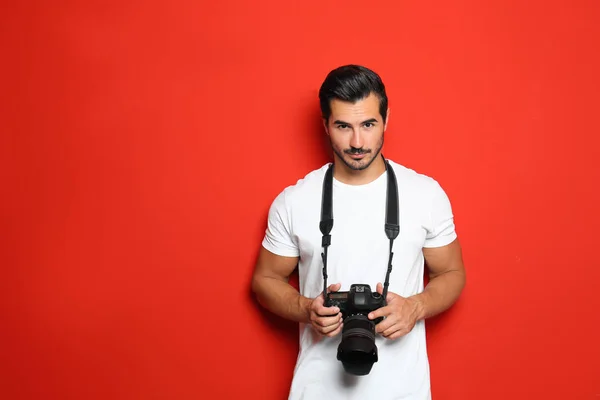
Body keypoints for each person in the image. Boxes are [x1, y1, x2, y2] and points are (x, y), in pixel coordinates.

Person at [251, 64, 466, 400]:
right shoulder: (294, 201)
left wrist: (416, 306)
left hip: (403, 390)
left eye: (368, 124)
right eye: (342, 126)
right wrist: (306, 308)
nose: (357, 142)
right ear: (325, 125)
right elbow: (264, 281)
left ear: (386, 119)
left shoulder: (425, 194)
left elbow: (452, 272)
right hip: (316, 389)